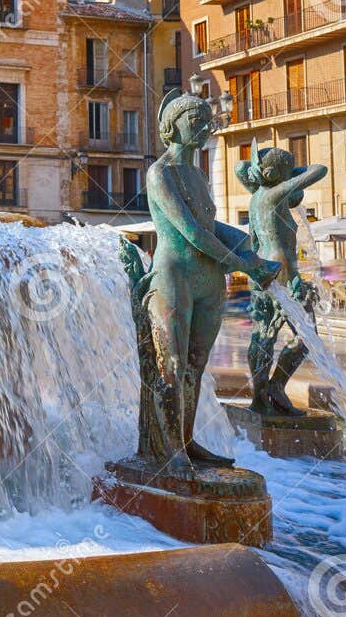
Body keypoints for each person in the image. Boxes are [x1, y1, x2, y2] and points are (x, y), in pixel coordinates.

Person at [139, 89, 280, 473]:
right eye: (195, 120)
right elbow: (192, 233)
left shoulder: (198, 175)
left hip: (209, 279)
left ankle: (186, 441)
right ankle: (169, 452)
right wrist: (247, 266)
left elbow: (210, 225)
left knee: (196, 368)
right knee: (171, 364)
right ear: (172, 126)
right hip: (174, 277)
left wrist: (247, 248)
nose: (204, 126)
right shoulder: (160, 173)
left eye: (206, 119)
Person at [236, 148, 328, 416]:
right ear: (278, 174)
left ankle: (260, 397)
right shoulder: (275, 194)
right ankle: (275, 387)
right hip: (283, 272)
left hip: (262, 269)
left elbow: (240, 166)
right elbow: (319, 170)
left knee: (263, 334)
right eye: (288, 171)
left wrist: (264, 173)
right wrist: (289, 175)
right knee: (307, 337)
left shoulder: (257, 197)